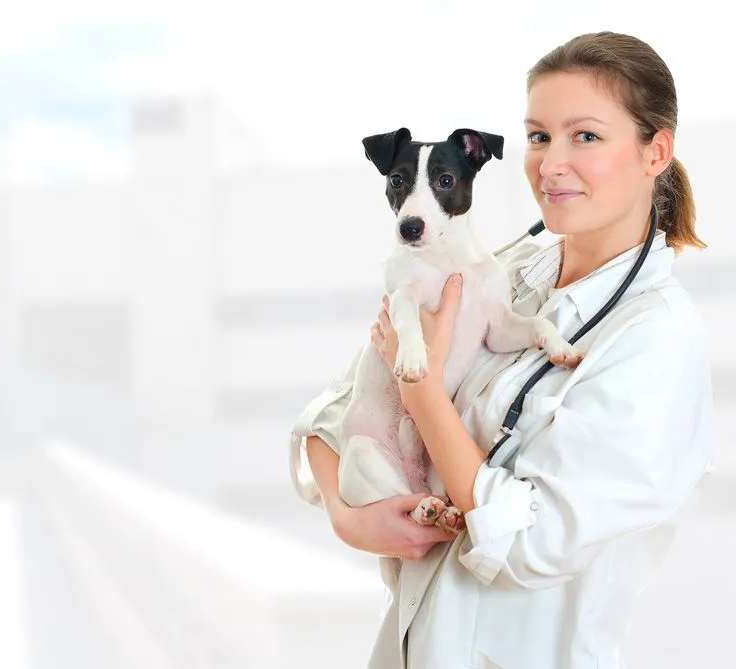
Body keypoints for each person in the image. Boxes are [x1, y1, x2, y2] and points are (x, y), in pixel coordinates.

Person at [288, 31, 716, 668]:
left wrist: (424, 394)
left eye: (586, 136)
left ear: (655, 152)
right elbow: (334, 410)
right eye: (540, 136)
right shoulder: (501, 269)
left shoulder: (656, 338)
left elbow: (526, 547)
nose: (551, 163)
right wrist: (351, 520)